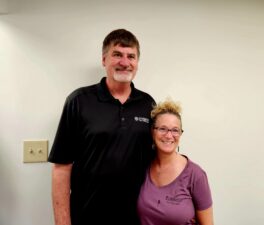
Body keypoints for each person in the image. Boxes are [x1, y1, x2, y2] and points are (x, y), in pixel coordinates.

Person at [48, 29, 155, 225]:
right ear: (104, 60)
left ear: (137, 63)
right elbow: (61, 167)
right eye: (117, 55)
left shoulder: (148, 104)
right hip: (88, 215)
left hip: (137, 217)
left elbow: (160, 160)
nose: (124, 62)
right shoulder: (79, 101)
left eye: (131, 56)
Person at [137, 99, 214, 225]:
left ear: (180, 134)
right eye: (162, 129)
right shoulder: (143, 167)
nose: (169, 136)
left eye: (175, 130)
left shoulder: (196, 175)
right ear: (152, 131)